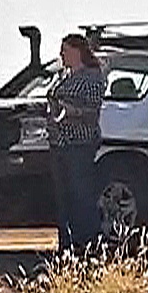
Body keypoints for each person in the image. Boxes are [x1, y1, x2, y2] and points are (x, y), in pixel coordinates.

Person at [46, 33, 107, 254]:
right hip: (58, 144)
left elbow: (93, 112)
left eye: (65, 50)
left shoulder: (92, 77)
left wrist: (72, 111)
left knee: (81, 195)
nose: (61, 54)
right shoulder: (62, 76)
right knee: (63, 199)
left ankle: (88, 244)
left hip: (79, 144)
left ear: (77, 51)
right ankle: (66, 245)